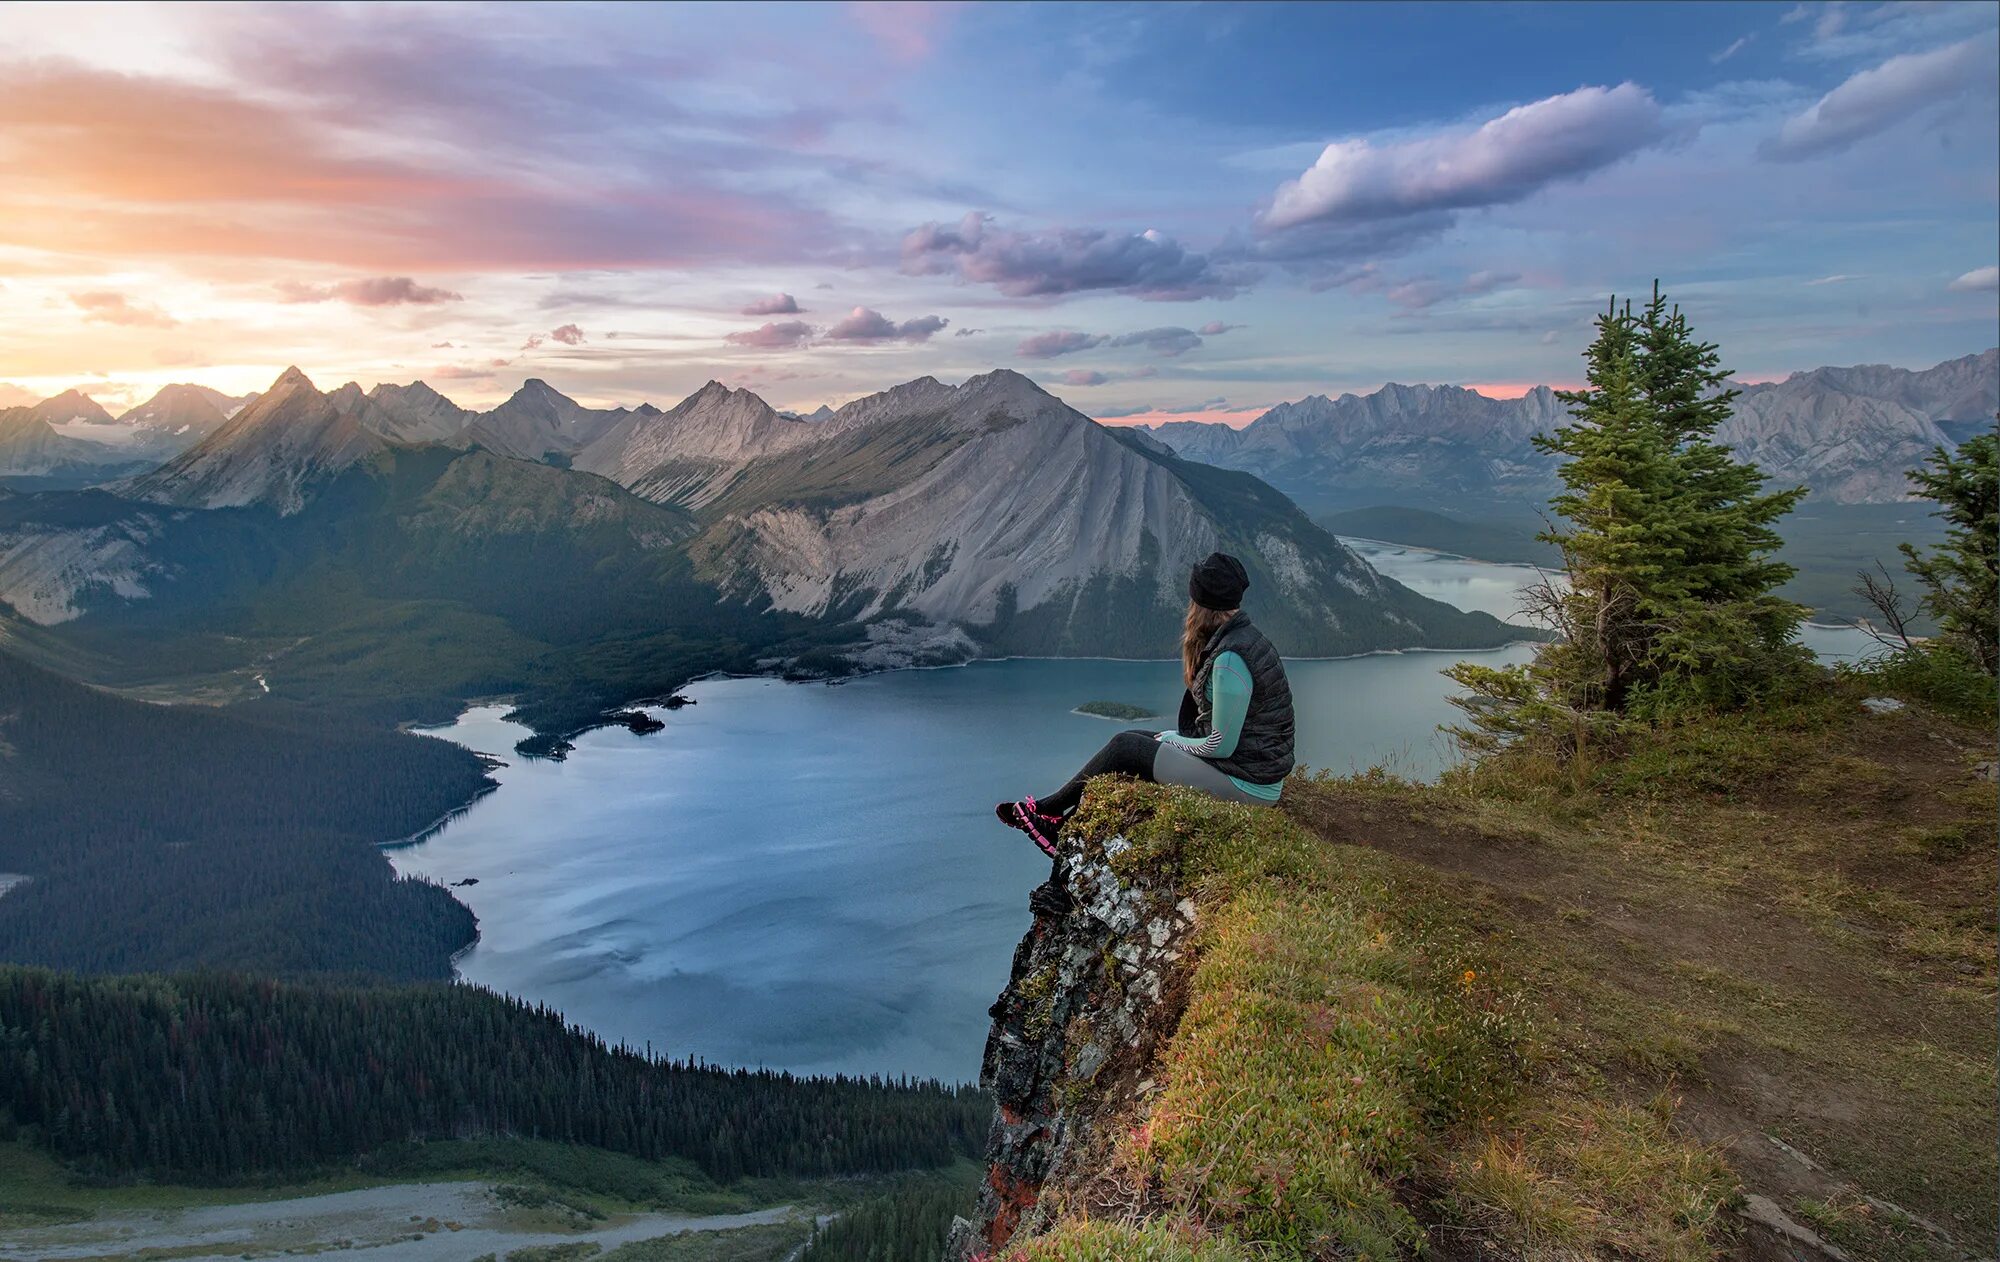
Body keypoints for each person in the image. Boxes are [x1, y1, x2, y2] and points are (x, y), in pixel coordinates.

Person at [996, 552, 1295, 857]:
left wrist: (1174, 739)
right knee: (1139, 740)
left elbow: (1221, 745)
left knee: (1128, 746)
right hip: (1251, 774)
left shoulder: (1230, 659)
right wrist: (1170, 740)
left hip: (1248, 788)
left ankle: (1049, 813)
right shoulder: (1243, 639)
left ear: (1199, 603)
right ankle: (1058, 822)